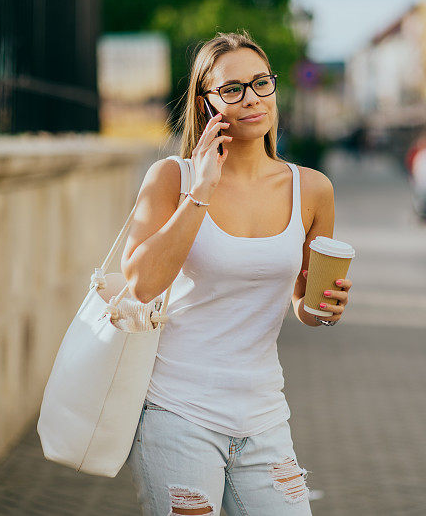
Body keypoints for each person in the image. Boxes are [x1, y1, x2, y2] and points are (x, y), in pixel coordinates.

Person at [119, 31, 353, 516]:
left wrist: (323, 308)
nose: (251, 99)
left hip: (264, 415)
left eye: (261, 83)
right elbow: (140, 284)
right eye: (232, 89)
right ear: (206, 104)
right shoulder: (173, 177)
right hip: (175, 411)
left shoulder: (311, 189)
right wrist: (199, 191)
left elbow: (303, 304)